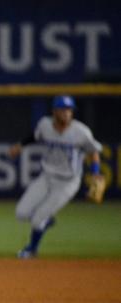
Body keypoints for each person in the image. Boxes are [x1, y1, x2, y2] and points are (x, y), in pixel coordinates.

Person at [8, 95, 103, 258]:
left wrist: (95, 173)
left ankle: (32, 249)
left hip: (68, 182)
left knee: (38, 219)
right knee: (21, 213)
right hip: (46, 177)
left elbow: (93, 152)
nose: (67, 113)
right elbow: (35, 136)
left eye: (69, 110)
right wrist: (20, 146)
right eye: (63, 110)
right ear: (55, 111)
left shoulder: (81, 131)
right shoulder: (45, 125)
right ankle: (46, 221)